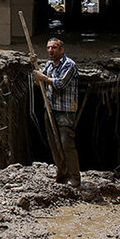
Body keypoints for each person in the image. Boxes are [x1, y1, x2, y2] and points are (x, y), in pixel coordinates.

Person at [34, 37, 81, 187]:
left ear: (62, 50)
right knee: (54, 142)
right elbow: (39, 81)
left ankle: (75, 176)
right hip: (50, 109)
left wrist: (43, 77)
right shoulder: (49, 65)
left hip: (65, 112)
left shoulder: (69, 65)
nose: (50, 51)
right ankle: (62, 172)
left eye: (54, 48)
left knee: (66, 143)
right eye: (48, 48)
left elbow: (60, 84)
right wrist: (34, 68)